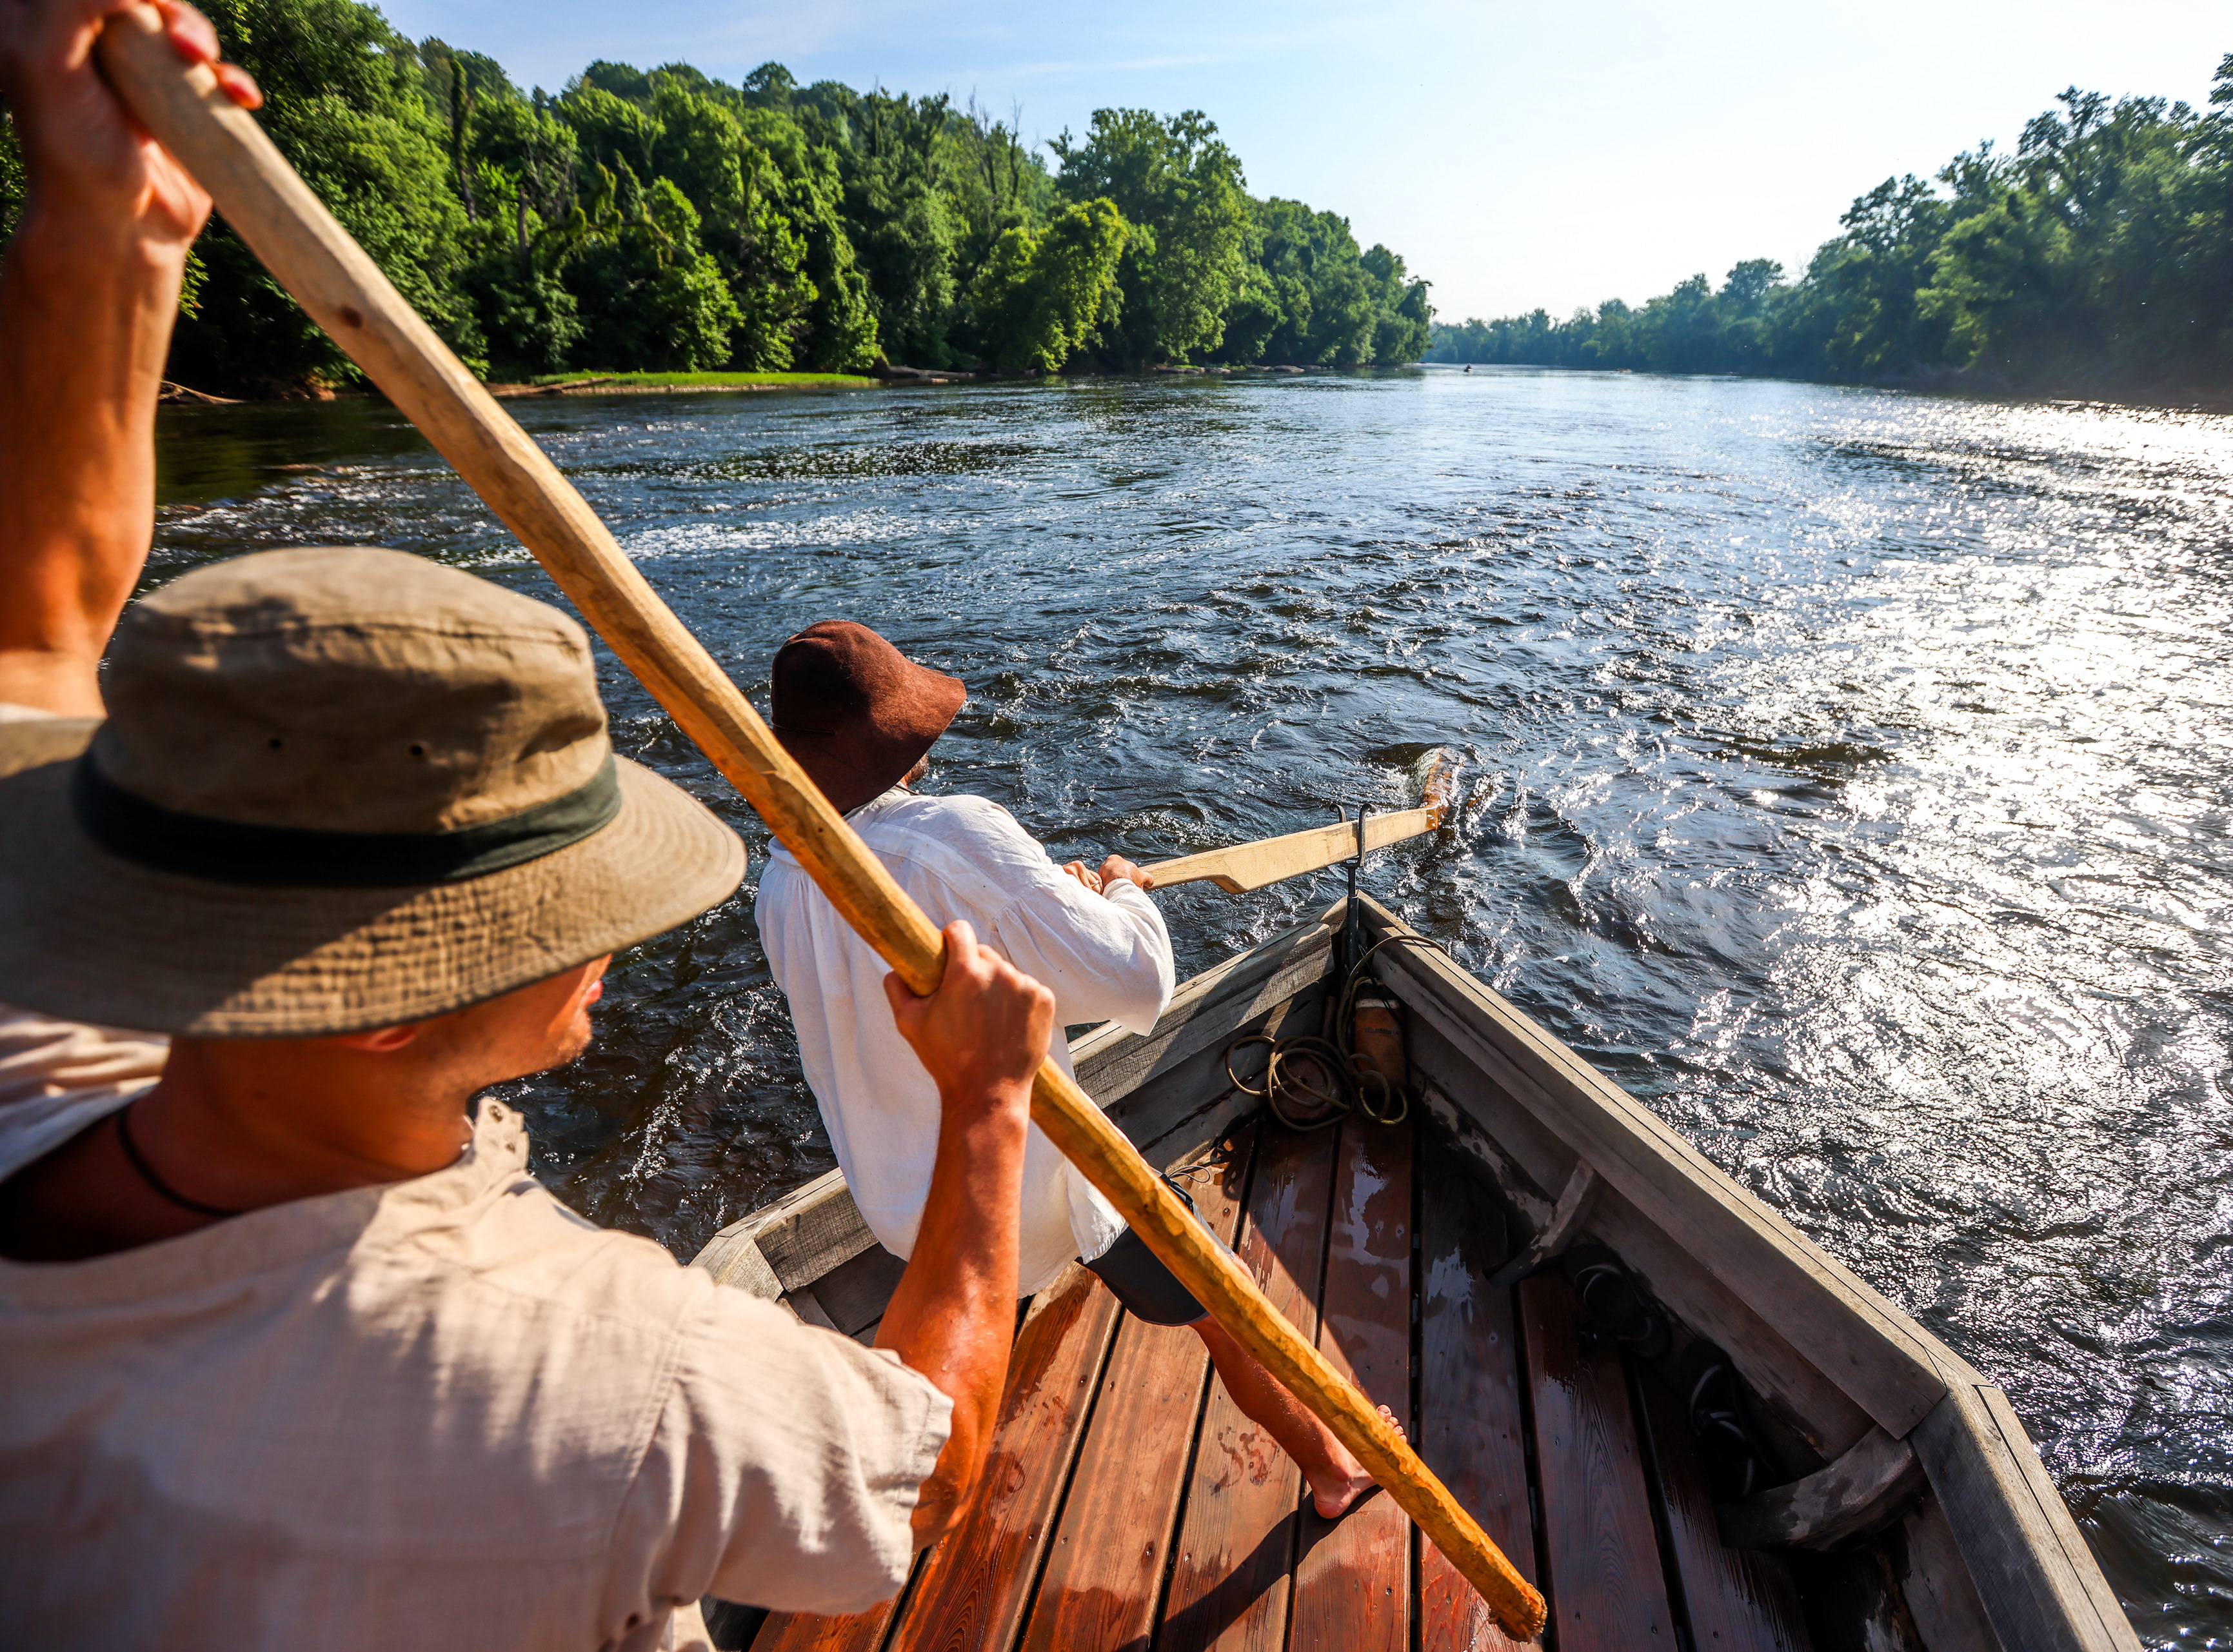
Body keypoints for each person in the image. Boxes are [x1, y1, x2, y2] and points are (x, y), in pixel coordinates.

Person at [0, 3, 1049, 1644]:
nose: (615, 925)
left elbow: (40, 627)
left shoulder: (42, 1047)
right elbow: (925, 1477)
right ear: (392, 1002)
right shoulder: (603, 1382)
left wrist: (108, 223)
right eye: (553, 896)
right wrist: (988, 1112)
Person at [755, 621, 1395, 1520]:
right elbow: (1137, 979)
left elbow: (927, 981)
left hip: (907, 1216)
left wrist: (1048, 907)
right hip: (1033, 1195)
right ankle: (1335, 1466)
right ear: (894, 742)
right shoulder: (955, 838)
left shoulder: (781, 879)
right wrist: (1121, 887)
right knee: (1222, 1297)